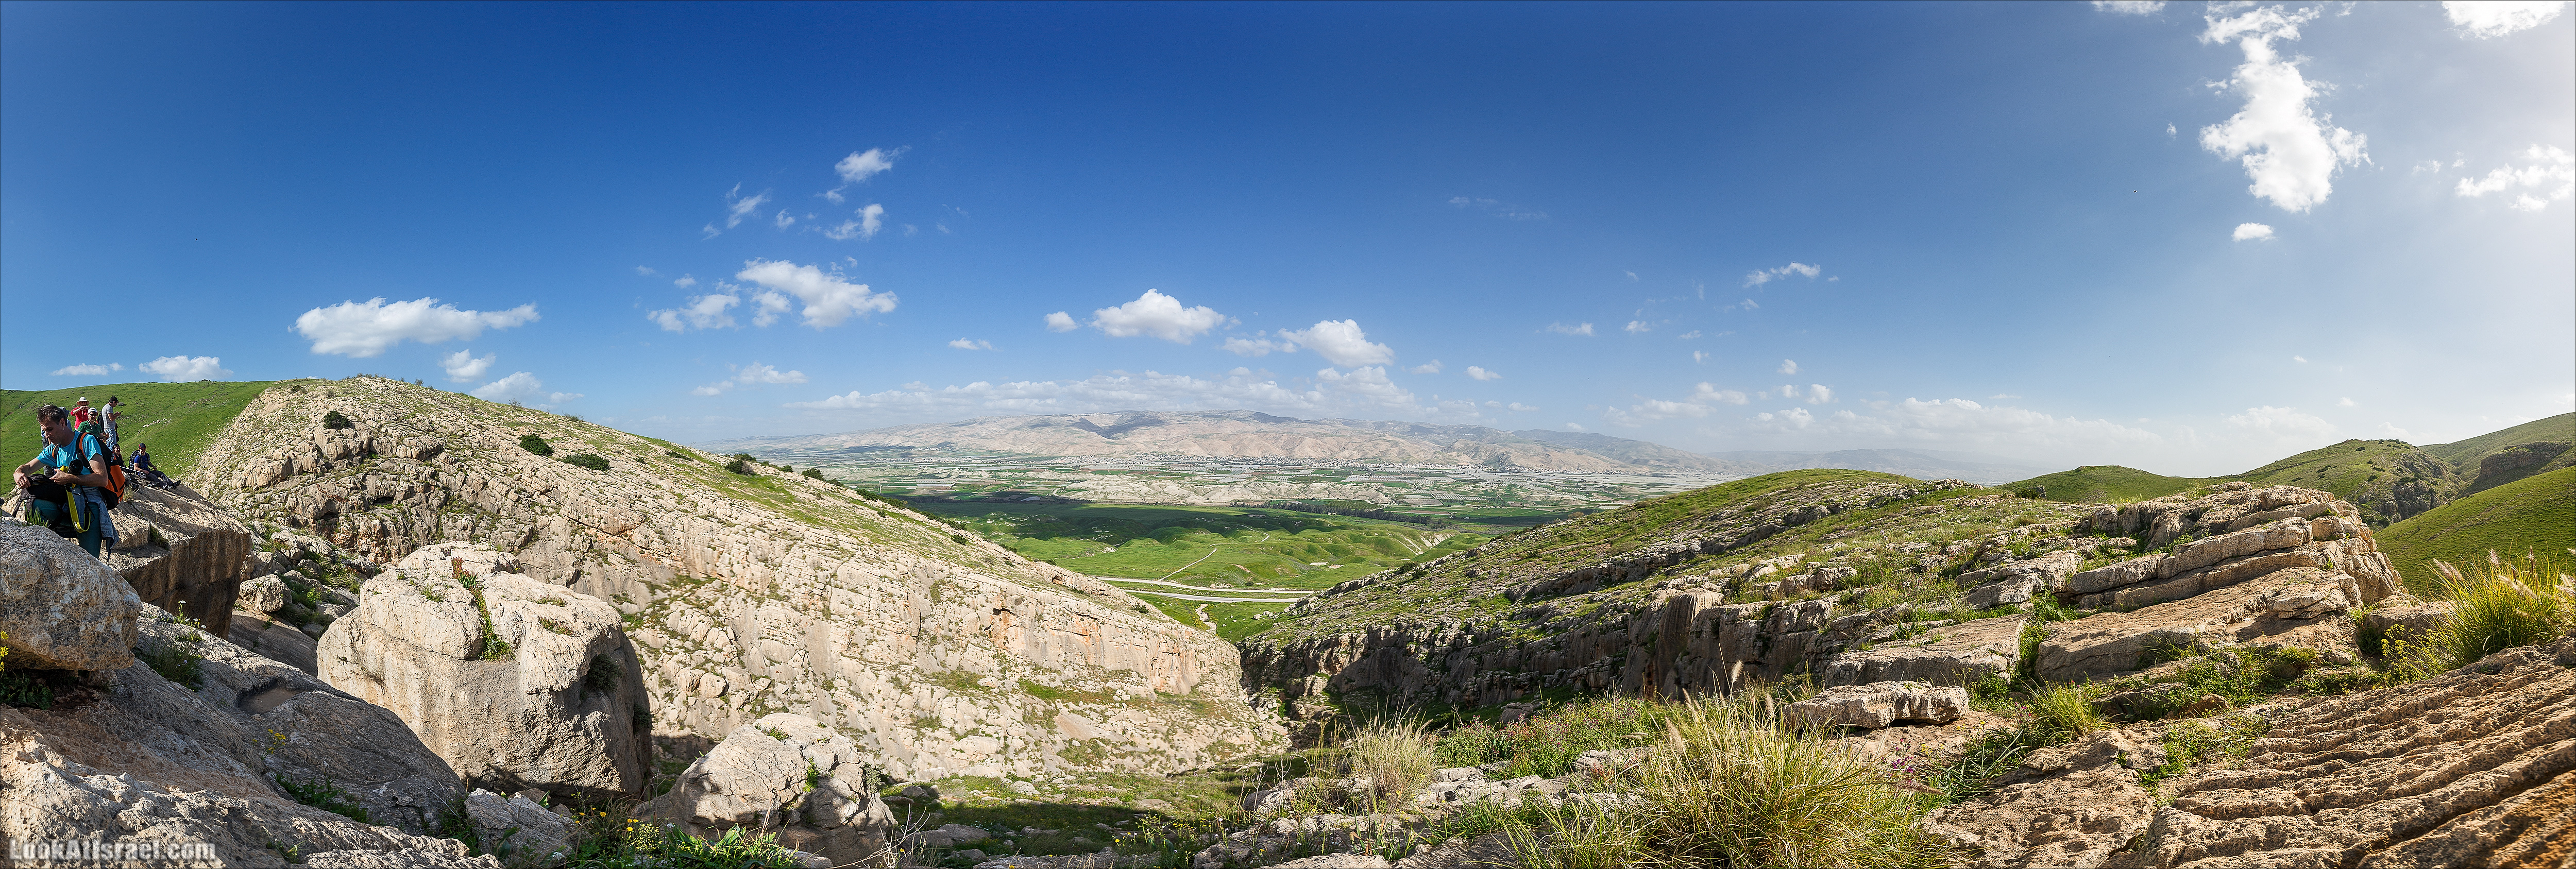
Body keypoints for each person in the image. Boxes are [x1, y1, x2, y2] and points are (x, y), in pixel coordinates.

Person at [12, 404, 117, 557]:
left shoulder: (86, 441)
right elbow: (28, 467)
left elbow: (102, 479)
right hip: (67, 505)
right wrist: (18, 472)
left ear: (62, 423)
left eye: (50, 429)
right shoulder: (54, 449)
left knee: (89, 562)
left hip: (90, 509)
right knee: (34, 504)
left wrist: (69, 478)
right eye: (44, 431)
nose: (47, 435)